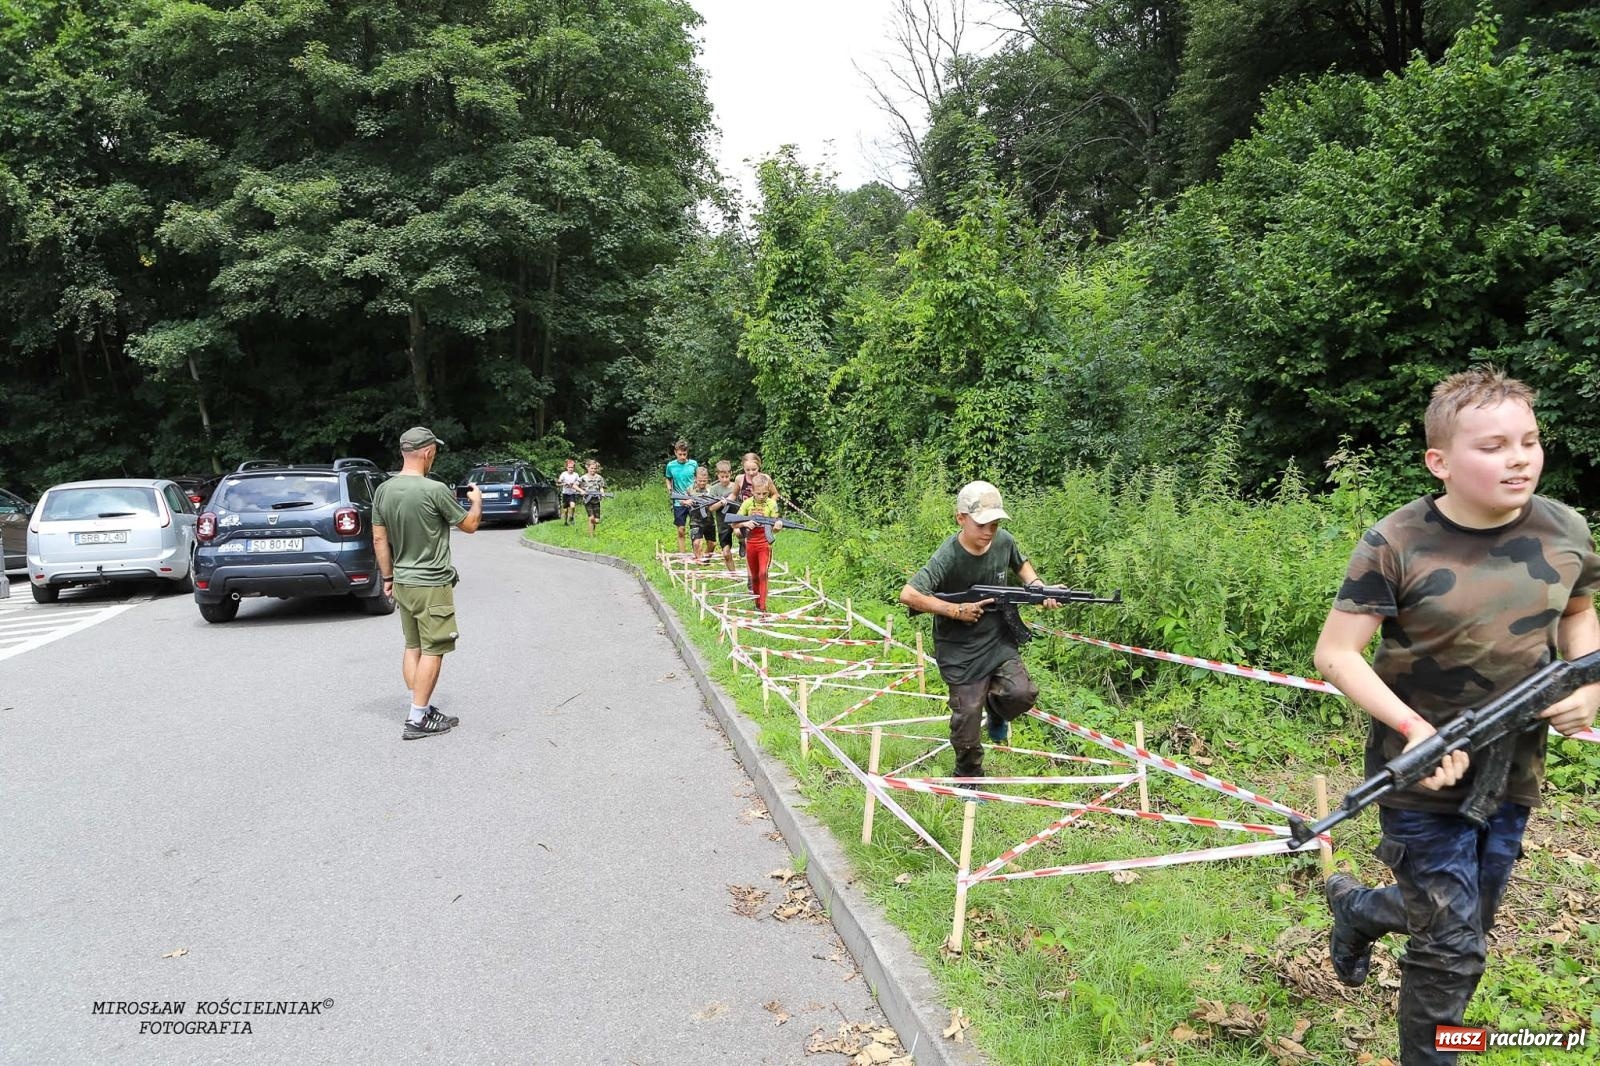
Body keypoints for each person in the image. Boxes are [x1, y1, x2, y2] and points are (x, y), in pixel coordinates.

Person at [1312, 368, 1599, 1065]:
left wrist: (1590, 687)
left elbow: (1581, 616)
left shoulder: (1566, 528)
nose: (1520, 457)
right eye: (1495, 445)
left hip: (1515, 773)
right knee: (1451, 948)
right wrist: (1416, 730)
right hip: (1419, 778)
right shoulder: (1395, 541)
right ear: (1439, 461)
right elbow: (1336, 653)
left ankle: (1357, 910)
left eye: (1530, 441)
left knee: (1466, 916)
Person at [897, 482, 1062, 781]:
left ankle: (997, 711)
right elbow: (909, 594)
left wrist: (1040, 589)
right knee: (967, 722)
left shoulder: (1004, 541)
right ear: (961, 518)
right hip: (959, 649)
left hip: (997, 640)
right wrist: (956, 610)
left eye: (995, 524)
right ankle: (968, 777)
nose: (989, 531)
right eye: (982, 524)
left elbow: (1022, 565)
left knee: (1022, 694)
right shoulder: (948, 555)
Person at [372, 426, 483, 741]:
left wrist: (388, 577)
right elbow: (471, 525)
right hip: (432, 583)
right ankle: (417, 718)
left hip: (404, 581)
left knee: (413, 646)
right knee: (435, 648)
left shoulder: (383, 490)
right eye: (435, 450)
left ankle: (422, 705)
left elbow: (379, 537)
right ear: (427, 452)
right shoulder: (434, 490)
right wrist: (476, 500)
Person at [730, 473, 782, 612]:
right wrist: (746, 523)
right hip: (751, 543)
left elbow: (774, 529)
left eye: (765, 493)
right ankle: (757, 602)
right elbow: (733, 524)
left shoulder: (772, 504)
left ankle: (763, 607)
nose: (761, 496)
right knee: (754, 575)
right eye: (758, 493)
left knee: (763, 573)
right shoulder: (747, 503)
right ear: (752, 491)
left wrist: (777, 528)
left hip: (765, 543)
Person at [663, 439, 698, 555]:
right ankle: (682, 555)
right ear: (675, 452)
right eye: (680, 454)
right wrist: (669, 489)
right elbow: (668, 478)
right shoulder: (671, 465)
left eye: (685, 454)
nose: (682, 457)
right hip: (679, 501)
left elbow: (698, 479)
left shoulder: (693, 464)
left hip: (693, 500)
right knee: (681, 529)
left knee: (695, 529)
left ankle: (696, 553)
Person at [707, 460, 737, 570]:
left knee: (740, 535)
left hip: (737, 520)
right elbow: (710, 508)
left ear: (731, 474)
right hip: (723, 523)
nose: (725, 479)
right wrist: (721, 503)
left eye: (727, 476)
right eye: (722, 476)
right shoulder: (714, 489)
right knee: (726, 552)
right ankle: (734, 574)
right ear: (717, 475)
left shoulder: (736, 486)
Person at [688, 466, 718, 563]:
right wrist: (686, 502)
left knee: (712, 544)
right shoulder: (690, 490)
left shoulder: (712, 489)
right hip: (695, 520)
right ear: (695, 479)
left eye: (704, 481)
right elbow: (682, 501)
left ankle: (705, 561)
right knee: (697, 543)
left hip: (709, 520)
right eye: (700, 481)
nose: (702, 483)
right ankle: (699, 561)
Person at [580, 459, 606, 538]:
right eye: (591, 468)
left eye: (595, 468)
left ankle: (592, 531)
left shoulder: (599, 478)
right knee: (591, 518)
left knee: (596, 520)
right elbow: (575, 485)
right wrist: (581, 491)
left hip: (596, 500)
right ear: (587, 468)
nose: (593, 470)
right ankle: (591, 536)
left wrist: (602, 493)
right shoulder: (583, 478)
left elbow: (601, 487)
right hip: (587, 500)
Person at [557, 458, 582, 526]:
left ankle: (572, 517)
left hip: (572, 493)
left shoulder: (576, 475)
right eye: (569, 467)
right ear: (567, 467)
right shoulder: (564, 474)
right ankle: (565, 522)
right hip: (565, 493)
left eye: (572, 467)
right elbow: (558, 483)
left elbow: (579, 482)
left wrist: (574, 484)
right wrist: (564, 484)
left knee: (573, 506)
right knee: (565, 510)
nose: (571, 469)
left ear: (574, 468)